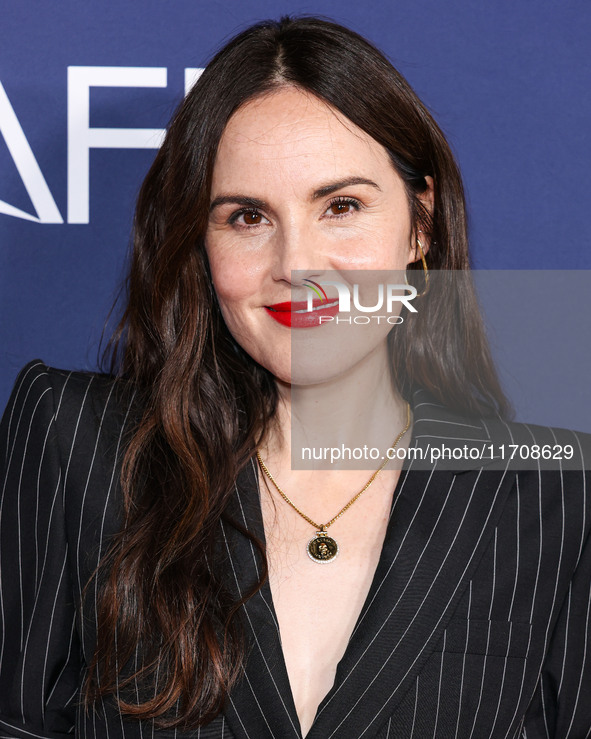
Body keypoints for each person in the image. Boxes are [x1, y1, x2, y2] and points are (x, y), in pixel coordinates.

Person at [0, 14, 590, 739]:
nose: (295, 264)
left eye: (340, 206)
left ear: (419, 224)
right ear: (199, 241)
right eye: (247, 217)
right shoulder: (74, 443)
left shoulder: (555, 496)